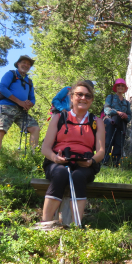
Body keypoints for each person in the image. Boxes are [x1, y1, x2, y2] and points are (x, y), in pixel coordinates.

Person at [40, 80, 105, 223]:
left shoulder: (97, 121)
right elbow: (45, 148)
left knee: (78, 177)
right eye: (79, 94)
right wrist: (55, 158)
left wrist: (91, 161)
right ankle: (45, 223)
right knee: (60, 173)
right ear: (71, 97)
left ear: (92, 100)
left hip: (85, 163)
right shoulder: (59, 117)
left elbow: (101, 151)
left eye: (88, 96)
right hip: (58, 161)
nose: (83, 98)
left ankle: (76, 226)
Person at [0, 55, 40, 160]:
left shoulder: (29, 81)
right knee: (0, 130)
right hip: (5, 106)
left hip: (21, 110)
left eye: (28, 64)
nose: (26, 65)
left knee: (35, 128)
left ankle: (33, 156)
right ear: (18, 64)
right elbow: (2, 88)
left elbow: (32, 99)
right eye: (24, 63)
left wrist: (28, 104)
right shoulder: (11, 74)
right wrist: (19, 102)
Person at [103, 79, 131, 166]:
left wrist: (126, 116)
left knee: (119, 144)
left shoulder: (127, 102)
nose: (120, 87)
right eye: (118, 85)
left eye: (122, 86)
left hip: (122, 124)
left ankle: (115, 164)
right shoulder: (110, 97)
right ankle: (104, 162)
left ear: (125, 88)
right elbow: (106, 110)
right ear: (115, 87)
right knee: (107, 142)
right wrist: (118, 112)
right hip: (110, 122)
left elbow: (129, 116)